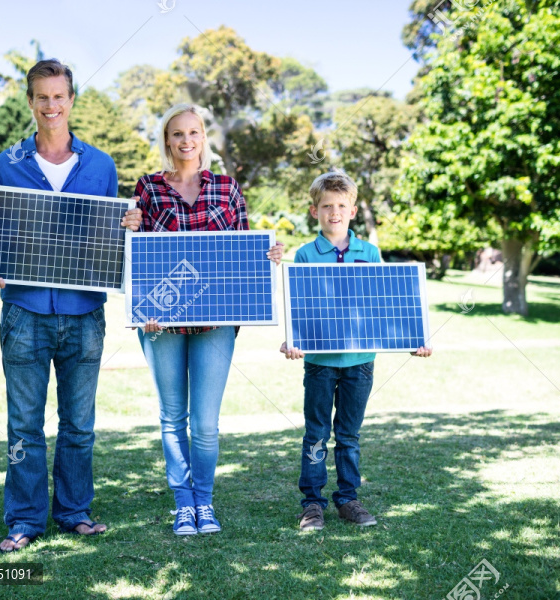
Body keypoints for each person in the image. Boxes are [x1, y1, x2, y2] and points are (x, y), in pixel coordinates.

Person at [0, 59, 142, 552]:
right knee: (24, 423)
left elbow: (107, 239)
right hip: (24, 311)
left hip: (84, 313)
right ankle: (24, 520)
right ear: (30, 101)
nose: (51, 106)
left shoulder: (101, 166)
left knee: (79, 423)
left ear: (71, 100)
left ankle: (73, 512)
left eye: (59, 96)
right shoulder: (6, 165)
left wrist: (126, 227)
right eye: (41, 97)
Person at [134, 103, 284, 535]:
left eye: (194, 133)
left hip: (216, 320)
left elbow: (243, 252)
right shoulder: (147, 188)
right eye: (177, 134)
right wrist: (142, 307)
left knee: (204, 422)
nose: (186, 141)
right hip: (161, 322)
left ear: (204, 138)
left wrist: (267, 254)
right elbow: (133, 253)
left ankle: (204, 501)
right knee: (171, 417)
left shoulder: (226, 188)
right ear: (167, 141)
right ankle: (183, 504)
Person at [279, 169, 432, 531]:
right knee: (316, 433)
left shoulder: (370, 252)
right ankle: (312, 504)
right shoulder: (305, 255)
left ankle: (348, 499)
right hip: (319, 362)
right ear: (314, 210)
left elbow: (385, 305)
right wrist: (292, 340)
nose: (335, 212)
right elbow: (301, 307)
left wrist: (413, 340)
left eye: (342, 205)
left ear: (353, 208)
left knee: (348, 435)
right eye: (327, 206)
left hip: (360, 363)